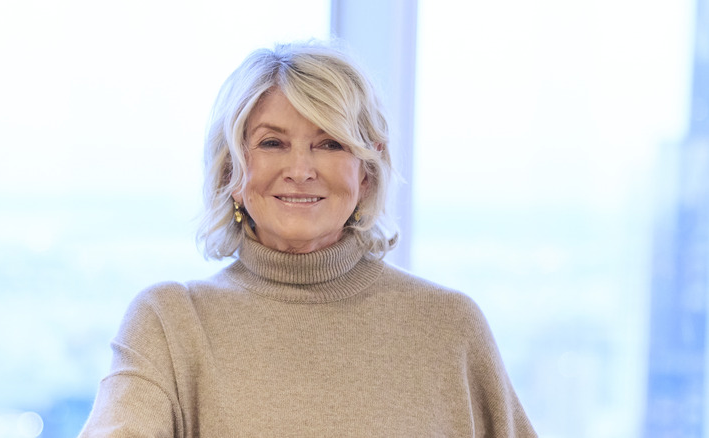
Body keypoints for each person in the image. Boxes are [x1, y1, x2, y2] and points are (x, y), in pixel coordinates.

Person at [79, 40, 537, 437]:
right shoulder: (170, 324)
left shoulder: (449, 328)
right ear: (230, 173)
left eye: (330, 143)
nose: (300, 170)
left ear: (367, 174)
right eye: (272, 143)